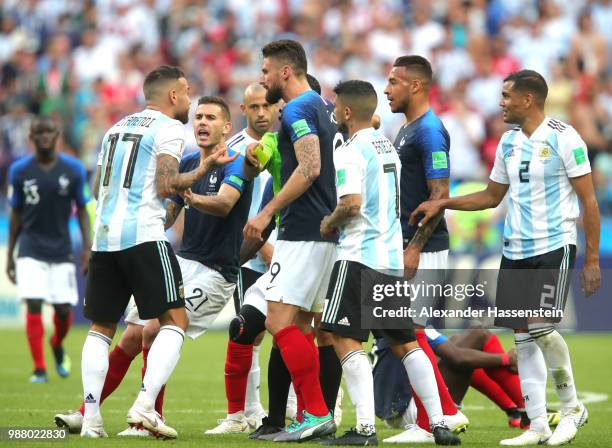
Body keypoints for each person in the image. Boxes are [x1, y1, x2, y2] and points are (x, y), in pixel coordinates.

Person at [411, 69, 601, 446]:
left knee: (541, 326)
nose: (501, 103)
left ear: (528, 99)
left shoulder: (564, 138)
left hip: (554, 244)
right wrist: (445, 203)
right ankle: (537, 425)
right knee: (522, 338)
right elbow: (491, 196)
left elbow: (589, 201)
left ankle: (571, 407)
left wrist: (592, 259)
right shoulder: (508, 143)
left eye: (507, 96)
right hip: (515, 248)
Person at [80, 65, 236, 439]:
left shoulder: (115, 129)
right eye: (186, 93)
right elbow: (167, 185)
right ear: (172, 95)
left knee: (101, 330)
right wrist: (205, 167)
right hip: (144, 235)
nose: (189, 100)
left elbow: (98, 183)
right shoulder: (167, 129)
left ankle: (90, 419)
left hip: (105, 239)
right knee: (175, 322)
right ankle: (144, 406)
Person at [317, 80, 460, 446]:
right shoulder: (386, 146)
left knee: (344, 338)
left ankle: (364, 429)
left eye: (335, 106)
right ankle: (439, 423)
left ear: (347, 112)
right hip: (391, 258)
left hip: (359, 257)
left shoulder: (350, 150)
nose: (332, 111)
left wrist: (329, 223)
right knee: (405, 342)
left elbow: (350, 203)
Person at [242, 39, 337, 442]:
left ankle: (315, 412)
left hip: (302, 231)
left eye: (265, 71)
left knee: (277, 320)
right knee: (300, 323)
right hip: (324, 231)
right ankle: (314, 413)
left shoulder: (298, 108)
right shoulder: (324, 105)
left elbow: (310, 167)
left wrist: (266, 212)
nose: (262, 80)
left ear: (285, 71)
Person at [383, 55, 467, 443]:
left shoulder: (430, 132)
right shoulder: (406, 130)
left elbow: (440, 196)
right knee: (407, 332)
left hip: (425, 246)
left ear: (416, 85)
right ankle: (441, 413)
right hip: (404, 244)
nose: (387, 89)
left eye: (394, 82)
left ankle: (431, 421)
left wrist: (414, 246)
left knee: (413, 331)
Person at [6, 116, 90, 384]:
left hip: (62, 247)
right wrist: (11, 253)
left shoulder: (74, 169)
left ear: (57, 136)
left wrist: (86, 248)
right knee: (33, 303)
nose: (44, 137)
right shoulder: (19, 170)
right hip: (30, 246)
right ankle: (39, 368)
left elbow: (83, 210)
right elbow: (16, 212)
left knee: (63, 310)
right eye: (38, 133)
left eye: (49, 132)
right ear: (31, 137)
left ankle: (56, 343)